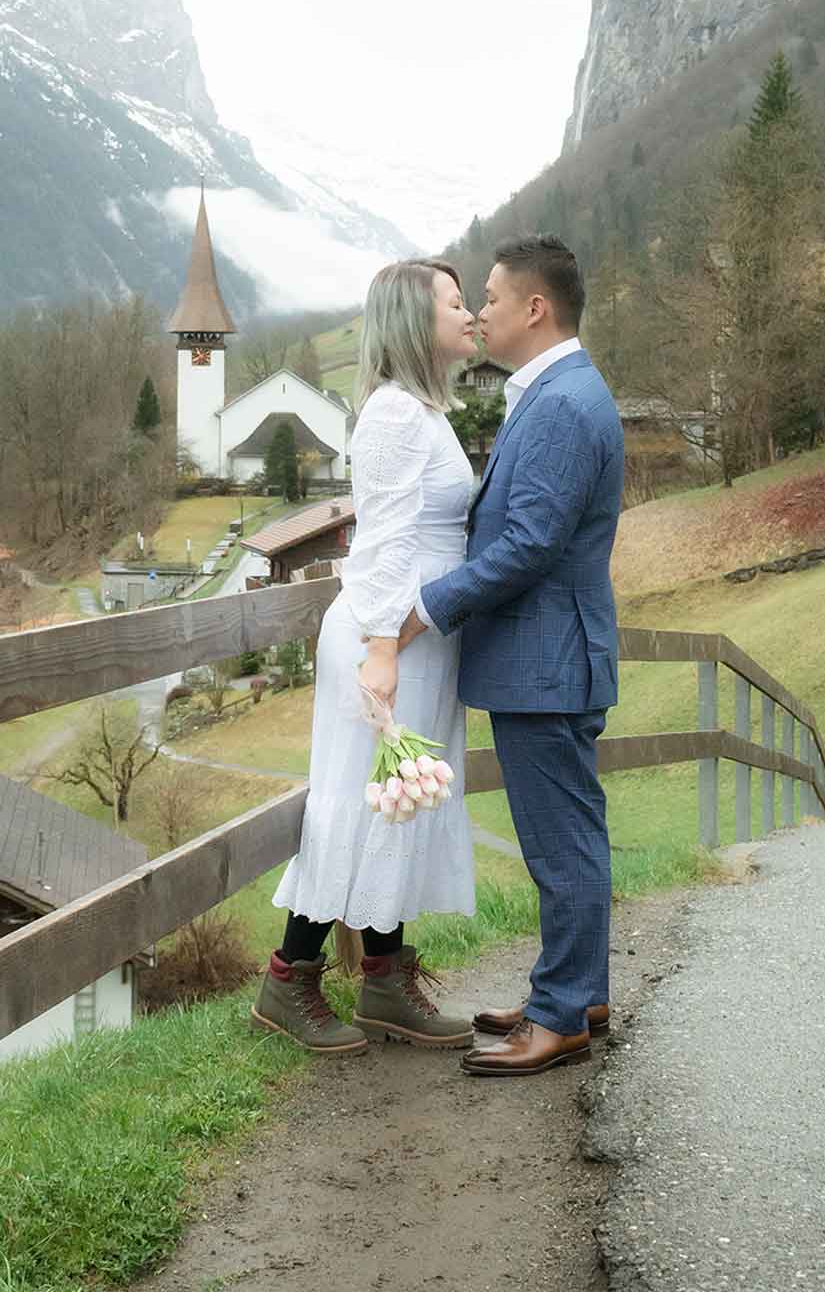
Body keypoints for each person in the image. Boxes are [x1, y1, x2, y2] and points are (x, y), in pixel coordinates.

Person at [400, 234, 623, 1079]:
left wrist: (429, 604)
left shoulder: (563, 404)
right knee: (573, 834)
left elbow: (529, 543)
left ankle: (561, 1017)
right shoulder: (558, 391)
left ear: (535, 308)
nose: (480, 311)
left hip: (547, 661)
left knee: (559, 846)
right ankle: (577, 992)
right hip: (552, 656)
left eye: (490, 297)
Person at [251, 259, 480, 1054]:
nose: (470, 312)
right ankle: (289, 979)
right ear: (416, 321)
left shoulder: (425, 411)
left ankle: (384, 979)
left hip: (420, 641)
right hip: (388, 643)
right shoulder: (392, 415)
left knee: (401, 798)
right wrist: (383, 652)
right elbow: (381, 544)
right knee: (357, 799)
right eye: (455, 303)